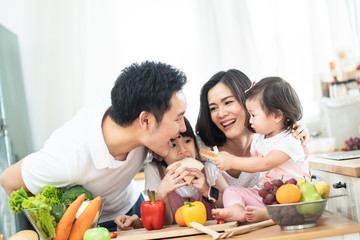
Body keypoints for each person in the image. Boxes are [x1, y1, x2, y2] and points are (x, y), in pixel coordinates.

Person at [0, 61, 188, 231]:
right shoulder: (68, 157)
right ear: (145, 120)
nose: (183, 127)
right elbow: (9, 180)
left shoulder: (138, 119)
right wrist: (54, 226)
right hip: (89, 226)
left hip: (131, 207)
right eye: (178, 118)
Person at [195, 70, 309, 220]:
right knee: (232, 192)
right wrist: (205, 189)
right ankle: (237, 210)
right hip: (252, 217)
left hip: (290, 198)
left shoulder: (282, 137)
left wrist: (296, 127)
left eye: (228, 102)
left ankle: (268, 214)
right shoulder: (202, 147)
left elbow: (266, 162)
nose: (221, 114)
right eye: (213, 108)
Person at [114, 117, 229, 230]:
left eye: (187, 141)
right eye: (173, 144)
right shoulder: (155, 172)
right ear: (157, 152)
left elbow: (229, 204)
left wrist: (206, 190)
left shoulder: (208, 169)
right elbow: (165, 224)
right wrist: (162, 194)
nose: (183, 150)